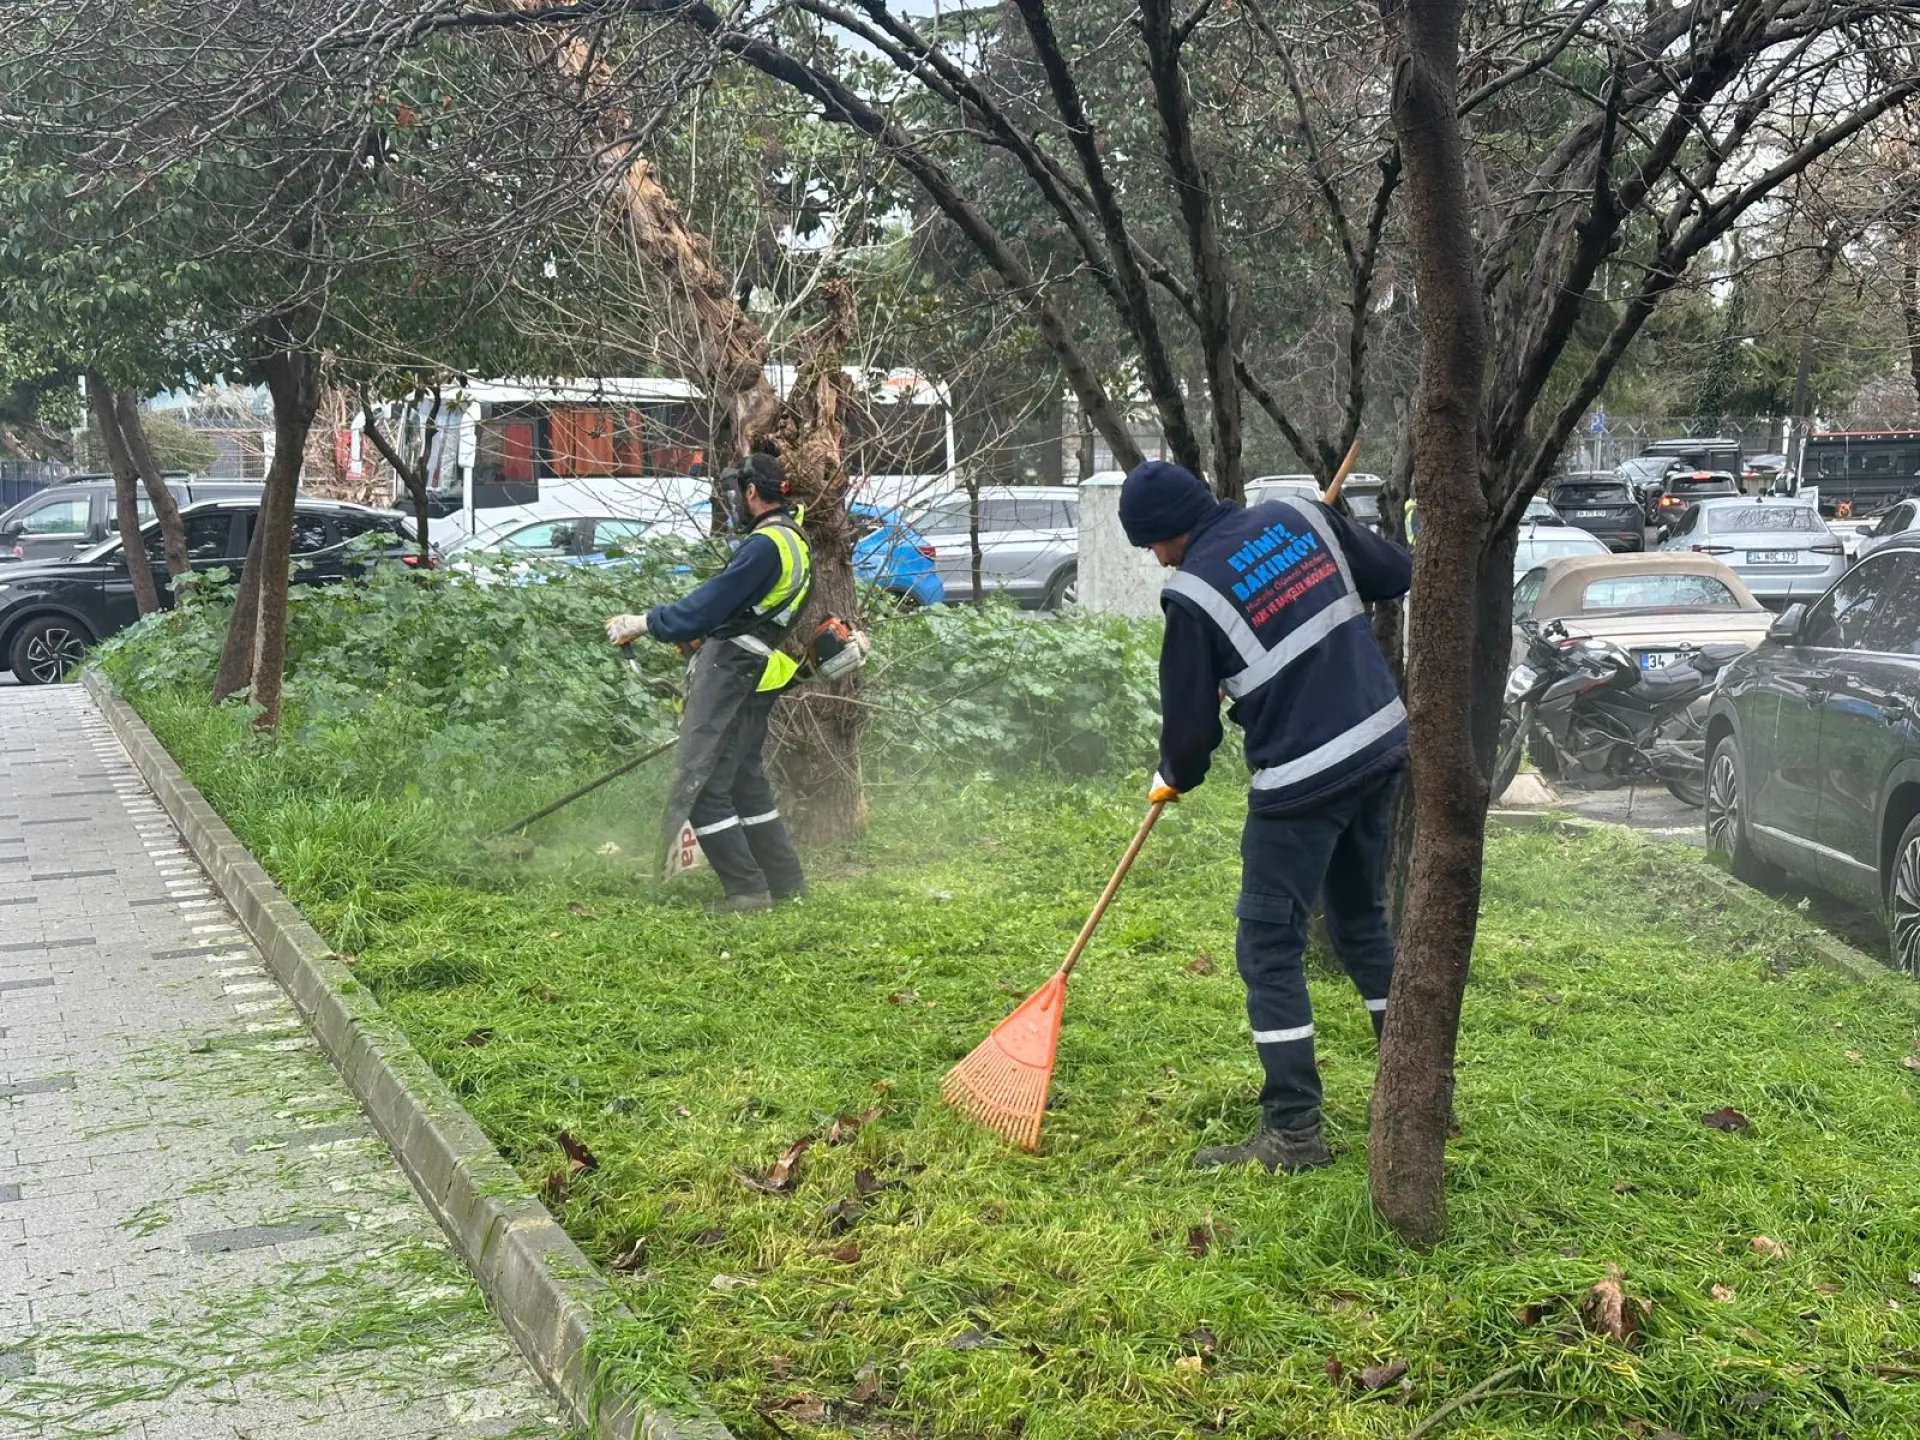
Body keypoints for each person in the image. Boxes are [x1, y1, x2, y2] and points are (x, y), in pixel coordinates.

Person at [1122, 460, 1413, 1174]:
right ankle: (1418, 1097)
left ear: (1169, 533)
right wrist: (1335, 529)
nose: (1157, 560)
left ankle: (1292, 1132)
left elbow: (1190, 741)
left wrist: (1173, 775)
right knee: (1361, 923)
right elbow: (1395, 574)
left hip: (1305, 778)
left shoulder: (1191, 597)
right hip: (1379, 745)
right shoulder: (1299, 518)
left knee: (1267, 944)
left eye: (1153, 546)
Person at [605, 452, 810, 913]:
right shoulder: (795, 540)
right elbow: (749, 610)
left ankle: (748, 891)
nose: (734, 501)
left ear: (751, 492)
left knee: (701, 786)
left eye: (736, 493)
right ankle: (785, 881)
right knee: (743, 782)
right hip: (756, 673)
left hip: (732, 672)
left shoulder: (764, 546)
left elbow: (708, 604)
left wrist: (646, 621)